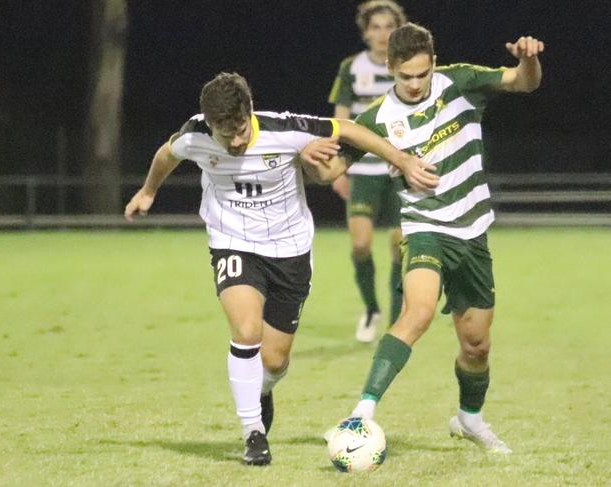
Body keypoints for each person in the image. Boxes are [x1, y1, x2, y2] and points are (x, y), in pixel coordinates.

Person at [124, 72, 438, 466]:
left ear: (249, 113)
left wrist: (403, 160)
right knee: (246, 331)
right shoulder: (194, 135)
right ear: (210, 125)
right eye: (226, 136)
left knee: (274, 361)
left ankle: (261, 389)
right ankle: (253, 434)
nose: (236, 142)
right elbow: (166, 154)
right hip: (232, 243)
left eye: (240, 130)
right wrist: (148, 191)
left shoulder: (285, 128)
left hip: (290, 252)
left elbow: (351, 129)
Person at [334, 23, 544, 453]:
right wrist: (311, 158)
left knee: (477, 345)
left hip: (472, 231)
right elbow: (329, 168)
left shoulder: (460, 82)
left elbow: (524, 82)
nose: (414, 84)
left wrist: (529, 59)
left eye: (421, 74)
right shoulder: (376, 118)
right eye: (404, 76)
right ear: (390, 68)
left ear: (433, 63)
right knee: (419, 311)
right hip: (424, 227)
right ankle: (362, 413)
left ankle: (469, 419)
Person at [328, 0, 408, 343]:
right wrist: (338, 169)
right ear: (365, 33)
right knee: (361, 244)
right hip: (362, 170)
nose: (381, 34)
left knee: (398, 247)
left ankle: (395, 322)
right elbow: (340, 121)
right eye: (375, 27)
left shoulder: (409, 67)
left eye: (388, 27)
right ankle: (372, 309)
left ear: (398, 31)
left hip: (398, 169)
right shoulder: (351, 67)